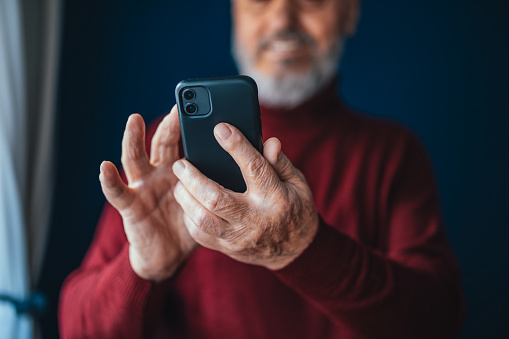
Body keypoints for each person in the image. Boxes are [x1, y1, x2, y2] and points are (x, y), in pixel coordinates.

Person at [59, 0, 465, 338]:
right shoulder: (162, 154)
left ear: (349, 12)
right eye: (258, 1)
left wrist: (302, 246)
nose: (282, 19)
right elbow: (74, 328)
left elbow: (439, 321)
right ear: (235, 12)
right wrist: (143, 268)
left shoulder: (392, 153)